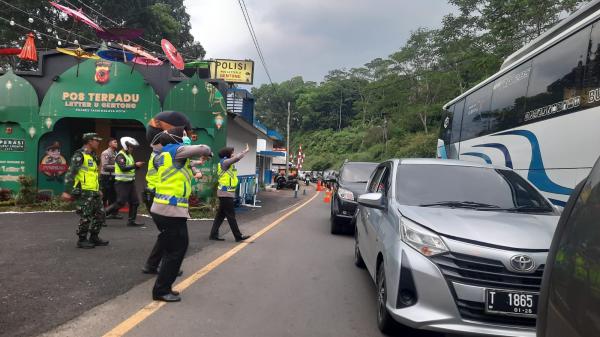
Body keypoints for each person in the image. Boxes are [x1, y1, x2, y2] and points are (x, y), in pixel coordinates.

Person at [149, 126, 212, 302]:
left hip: (164, 208)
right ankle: (161, 290)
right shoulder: (175, 151)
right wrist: (207, 153)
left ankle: (164, 287)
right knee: (175, 250)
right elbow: (204, 149)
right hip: (170, 209)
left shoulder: (164, 155)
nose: (187, 139)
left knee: (176, 248)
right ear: (177, 139)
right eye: (184, 136)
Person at [61, 133, 109, 249]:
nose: (98, 142)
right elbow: (71, 173)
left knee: (100, 214)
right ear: (89, 141)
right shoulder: (79, 155)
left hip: (94, 191)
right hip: (84, 191)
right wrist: (67, 191)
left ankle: (94, 237)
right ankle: (82, 239)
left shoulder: (93, 156)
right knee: (86, 216)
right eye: (96, 140)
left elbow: (94, 174)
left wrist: (99, 189)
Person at [209, 144, 252, 242]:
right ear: (227, 154)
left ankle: (213, 234)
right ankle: (238, 236)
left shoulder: (227, 163)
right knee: (231, 215)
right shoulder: (225, 162)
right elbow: (237, 158)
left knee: (220, 215)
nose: (233, 154)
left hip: (226, 193)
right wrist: (245, 151)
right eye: (232, 152)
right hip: (225, 194)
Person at [104, 137, 145, 226]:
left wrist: (137, 166)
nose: (132, 149)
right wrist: (135, 165)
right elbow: (123, 168)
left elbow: (130, 168)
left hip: (130, 182)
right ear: (125, 146)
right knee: (120, 202)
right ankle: (100, 217)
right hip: (122, 183)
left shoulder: (129, 155)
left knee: (135, 202)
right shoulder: (120, 155)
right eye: (131, 147)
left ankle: (131, 221)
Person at [100, 138, 122, 220]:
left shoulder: (116, 153)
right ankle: (102, 214)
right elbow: (105, 166)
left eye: (117, 142)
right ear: (109, 144)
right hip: (106, 177)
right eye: (115, 142)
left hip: (113, 176)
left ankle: (114, 213)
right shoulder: (105, 153)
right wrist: (118, 167)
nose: (117, 143)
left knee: (114, 195)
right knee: (105, 196)